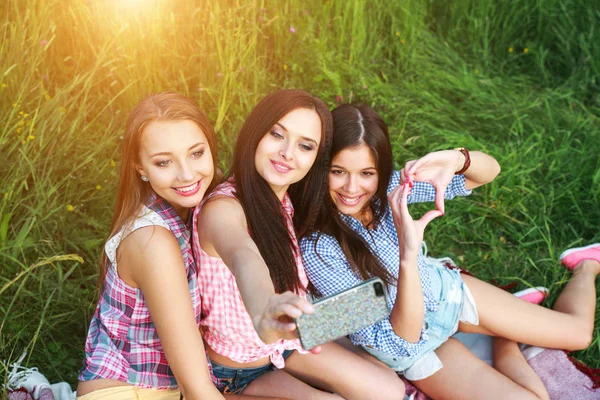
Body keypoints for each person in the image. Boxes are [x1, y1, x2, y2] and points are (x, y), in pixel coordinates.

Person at [300, 103, 600, 400]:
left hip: (448, 296)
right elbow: (401, 340)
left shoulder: (388, 189)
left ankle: (586, 265)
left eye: (367, 173)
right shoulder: (318, 248)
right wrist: (408, 255)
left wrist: (456, 159)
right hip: (417, 349)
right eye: (338, 171)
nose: (352, 188)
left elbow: (488, 172)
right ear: (321, 167)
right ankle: (505, 336)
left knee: (578, 334)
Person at [194, 90, 406, 399]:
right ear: (255, 132)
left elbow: (363, 181)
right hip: (237, 373)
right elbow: (243, 255)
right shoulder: (223, 210)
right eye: (277, 134)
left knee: (390, 388)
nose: (287, 153)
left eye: (305, 145)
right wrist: (265, 308)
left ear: (316, 158)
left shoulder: (287, 199)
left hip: (286, 344)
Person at [76, 92, 287, 400]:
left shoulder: (202, 203)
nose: (187, 174)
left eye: (196, 153)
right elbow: (197, 390)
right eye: (164, 162)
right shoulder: (153, 242)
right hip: (132, 392)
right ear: (140, 168)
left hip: (182, 387)